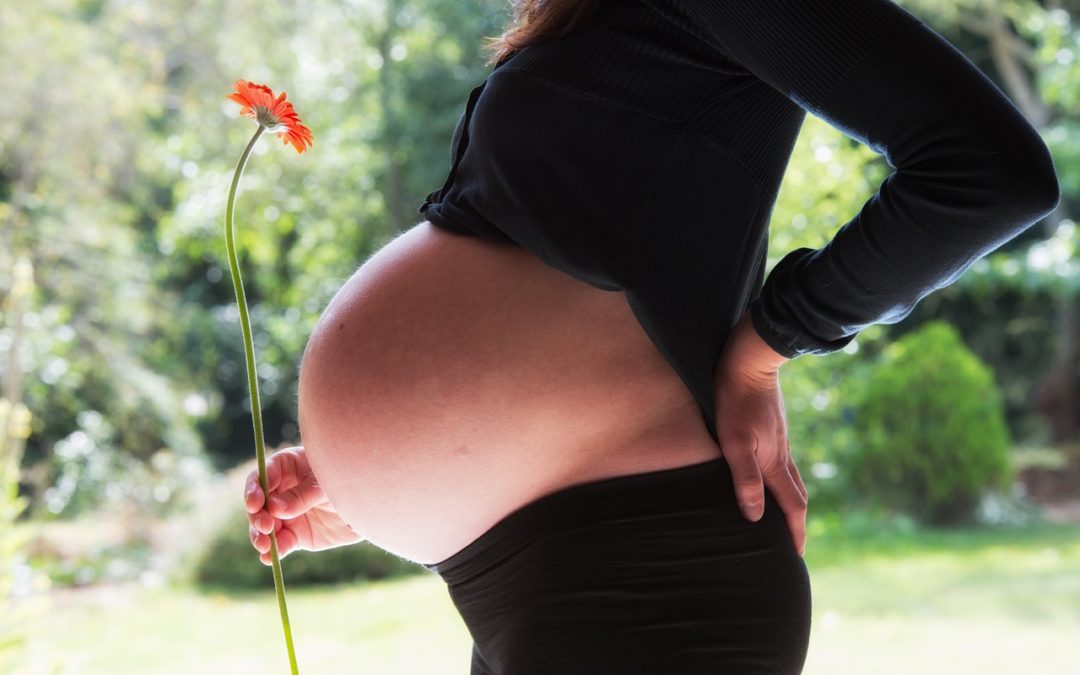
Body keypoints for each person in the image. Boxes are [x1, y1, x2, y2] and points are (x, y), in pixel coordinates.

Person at [245, 0, 1061, 672]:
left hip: (647, 577)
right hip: (540, 566)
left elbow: (988, 172)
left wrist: (767, 342)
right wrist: (373, 487)